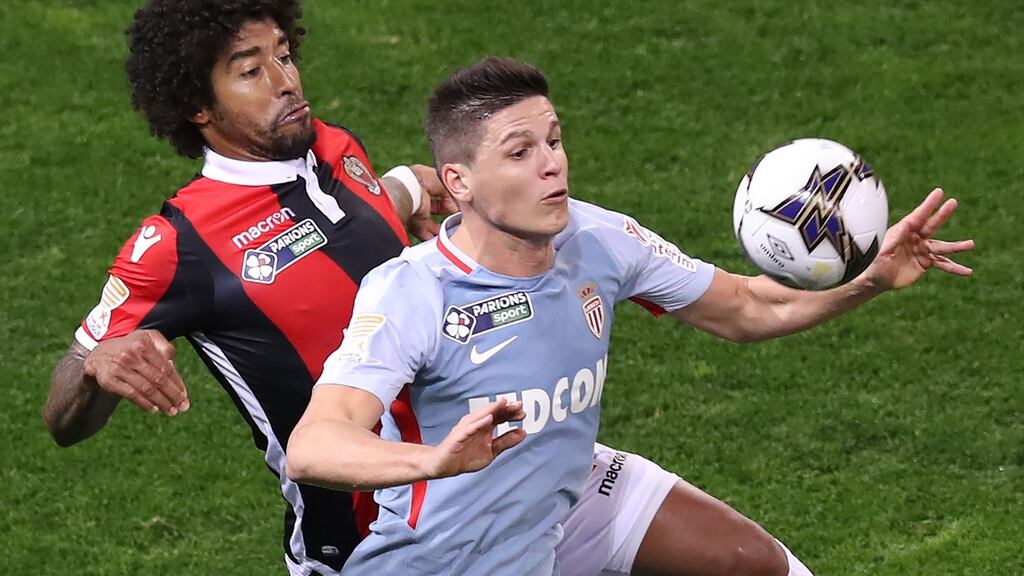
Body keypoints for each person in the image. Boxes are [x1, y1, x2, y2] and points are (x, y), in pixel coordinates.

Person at [42, 3, 801, 576]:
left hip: (517, 470)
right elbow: (63, 412)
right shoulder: (178, 244)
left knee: (750, 560)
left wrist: (442, 185)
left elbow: (386, 204)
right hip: (379, 538)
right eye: (251, 70)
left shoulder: (337, 152)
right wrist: (101, 365)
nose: (286, 82)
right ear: (197, 108)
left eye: (283, 55)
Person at [286, 57, 974, 576]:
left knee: (751, 561)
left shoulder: (599, 240)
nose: (553, 165)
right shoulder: (413, 291)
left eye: (553, 140)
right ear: (458, 182)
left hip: (563, 491)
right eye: (521, 153)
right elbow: (314, 446)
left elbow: (746, 305)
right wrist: (434, 459)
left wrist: (873, 278)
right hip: (449, 557)